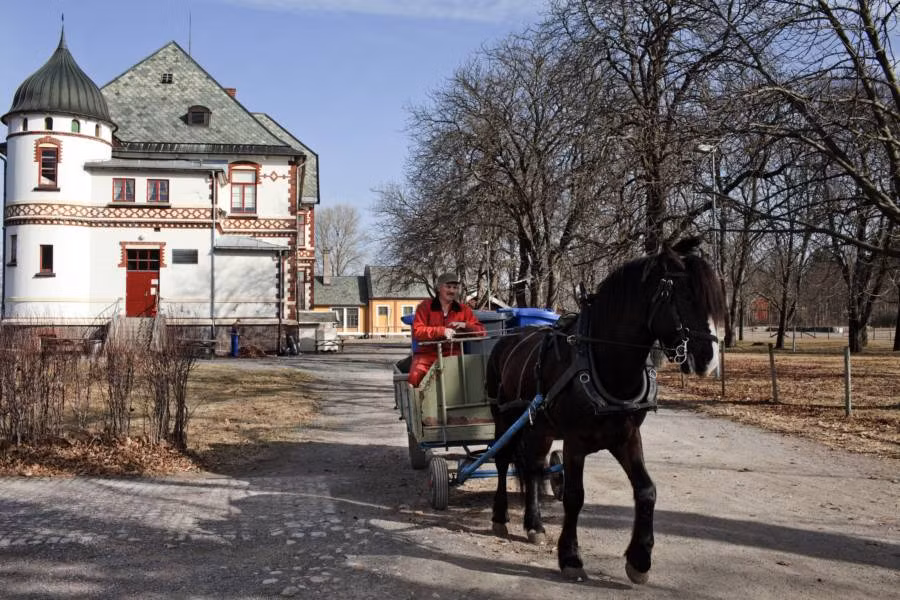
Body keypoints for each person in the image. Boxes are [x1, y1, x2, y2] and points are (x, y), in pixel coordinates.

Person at [408, 272, 485, 387]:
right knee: (414, 377)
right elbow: (417, 332)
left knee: (471, 382)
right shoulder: (424, 307)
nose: (452, 291)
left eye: (455, 288)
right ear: (439, 288)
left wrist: (465, 325)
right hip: (427, 356)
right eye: (448, 287)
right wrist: (441, 331)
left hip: (453, 356)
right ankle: (416, 403)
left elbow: (481, 333)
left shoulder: (463, 310)